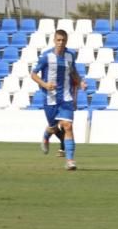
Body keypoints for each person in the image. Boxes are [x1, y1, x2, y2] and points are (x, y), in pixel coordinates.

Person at [32, 29, 86, 171]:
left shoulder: (70, 56)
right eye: (58, 40)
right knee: (54, 127)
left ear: (66, 41)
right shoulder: (46, 56)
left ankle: (70, 160)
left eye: (63, 40)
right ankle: (46, 135)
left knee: (67, 126)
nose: (61, 43)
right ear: (54, 40)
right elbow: (33, 74)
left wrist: (80, 82)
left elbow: (73, 72)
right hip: (49, 98)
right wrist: (45, 85)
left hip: (66, 98)